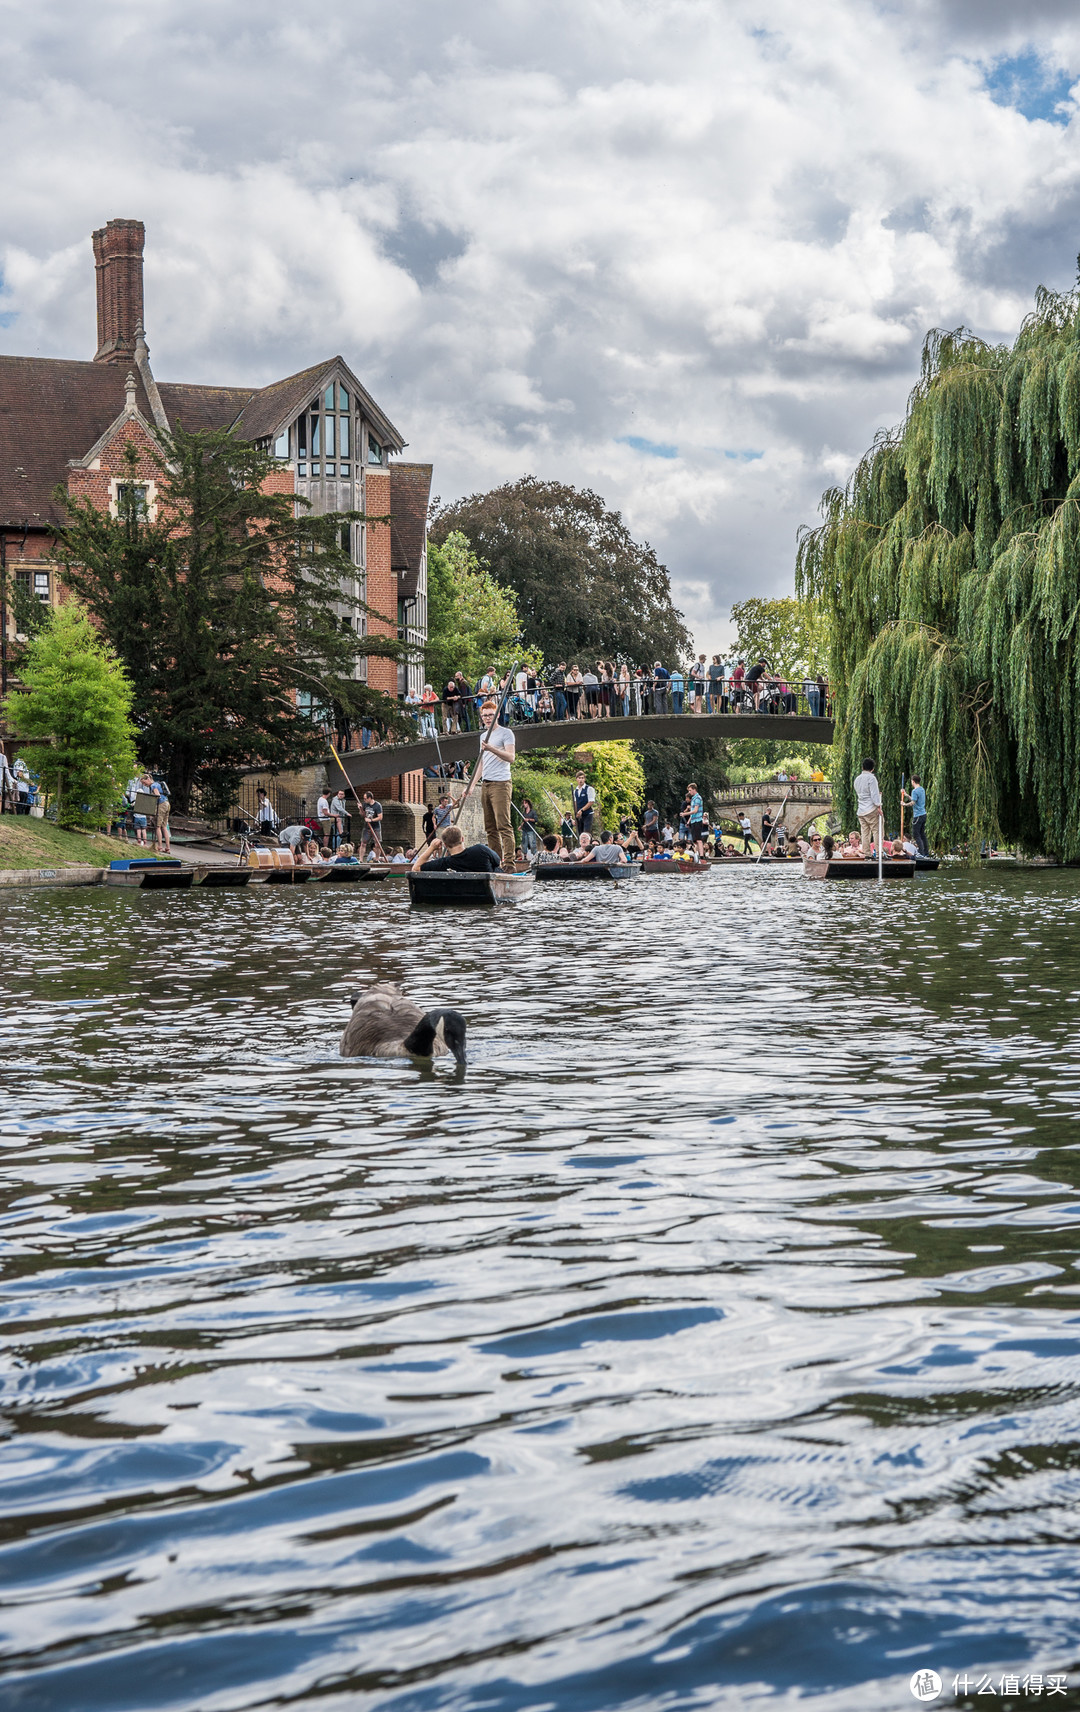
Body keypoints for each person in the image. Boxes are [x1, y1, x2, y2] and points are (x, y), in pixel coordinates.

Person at [478, 696, 515, 869]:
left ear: (497, 715)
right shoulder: (483, 736)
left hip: (501, 783)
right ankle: (495, 863)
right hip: (486, 783)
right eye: (485, 715)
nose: (487, 718)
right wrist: (470, 787)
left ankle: (509, 865)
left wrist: (491, 747)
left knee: (503, 826)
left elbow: (511, 757)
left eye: (490, 715)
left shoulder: (506, 733)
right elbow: (482, 763)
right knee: (490, 828)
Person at [413, 823, 501, 872]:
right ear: (462, 839)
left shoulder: (444, 864)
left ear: (445, 845)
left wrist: (431, 848)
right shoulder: (480, 849)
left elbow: (415, 869)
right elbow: (498, 861)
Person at [853, 757, 882, 856]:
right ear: (872, 769)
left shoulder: (857, 779)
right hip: (871, 809)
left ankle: (866, 854)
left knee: (865, 833)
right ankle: (879, 853)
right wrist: (879, 806)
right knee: (877, 831)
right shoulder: (871, 778)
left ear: (862, 767)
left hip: (861, 810)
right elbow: (874, 795)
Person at [903, 775, 929, 856]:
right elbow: (915, 799)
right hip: (923, 815)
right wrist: (906, 795)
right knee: (922, 834)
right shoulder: (922, 789)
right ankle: (926, 852)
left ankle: (921, 853)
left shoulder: (914, 791)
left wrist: (904, 804)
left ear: (913, 781)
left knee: (916, 834)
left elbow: (913, 803)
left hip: (917, 816)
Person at [358, 791, 384, 858]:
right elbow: (362, 814)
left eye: (365, 798)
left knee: (377, 844)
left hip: (376, 827)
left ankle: (377, 858)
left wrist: (371, 820)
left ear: (370, 798)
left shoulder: (377, 805)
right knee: (363, 843)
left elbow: (380, 817)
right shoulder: (365, 804)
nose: (364, 800)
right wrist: (360, 809)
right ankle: (361, 859)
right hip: (366, 827)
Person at [685, 781, 704, 854]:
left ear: (694, 789)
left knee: (699, 839)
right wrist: (689, 821)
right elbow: (692, 813)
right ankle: (697, 854)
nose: (689, 792)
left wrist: (685, 814)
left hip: (698, 820)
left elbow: (695, 811)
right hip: (693, 820)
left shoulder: (698, 798)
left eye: (690, 790)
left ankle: (701, 855)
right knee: (695, 840)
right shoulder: (693, 799)